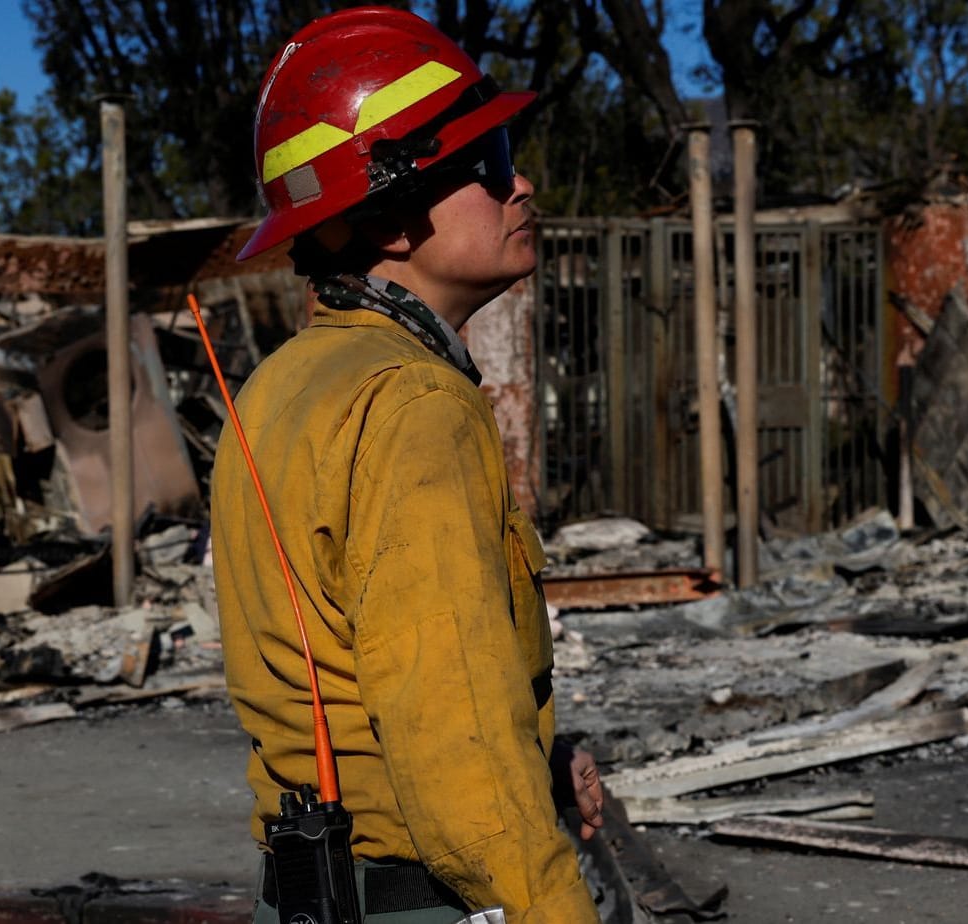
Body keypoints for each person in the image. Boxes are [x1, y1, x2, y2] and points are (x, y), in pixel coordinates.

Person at [210, 8, 603, 923]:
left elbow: (354, 666)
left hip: (313, 894)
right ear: (389, 217)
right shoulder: (414, 405)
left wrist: (544, 760)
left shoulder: (279, 389)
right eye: (492, 159)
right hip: (421, 901)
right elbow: (455, 746)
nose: (523, 182)